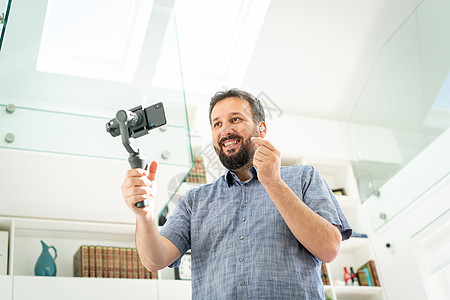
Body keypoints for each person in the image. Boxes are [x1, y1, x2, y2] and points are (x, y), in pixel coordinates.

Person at [121, 88, 352, 299]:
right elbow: (155, 260)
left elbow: (329, 248)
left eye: (235, 119)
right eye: (217, 124)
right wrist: (145, 214)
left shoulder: (304, 177)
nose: (225, 130)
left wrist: (272, 182)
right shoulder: (194, 202)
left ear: (261, 128)